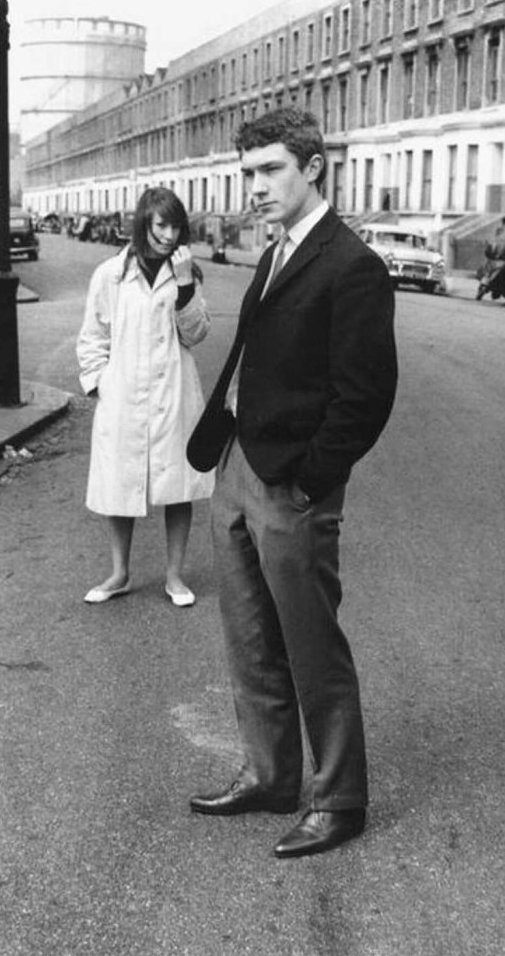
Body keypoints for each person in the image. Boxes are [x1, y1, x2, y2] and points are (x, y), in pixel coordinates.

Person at [187, 108, 398, 858]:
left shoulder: (352, 267)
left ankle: (338, 798)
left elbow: (363, 397)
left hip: (292, 484)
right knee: (248, 637)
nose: (255, 186)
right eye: (247, 173)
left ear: (313, 167)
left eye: (270, 169)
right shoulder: (275, 252)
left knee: (310, 643)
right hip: (237, 465)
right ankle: (272, 776)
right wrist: (227, 451)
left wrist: (311, 482)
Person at [77, 187, 214, 607]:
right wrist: (103, 385)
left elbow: (196, 334)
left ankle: (175, 577)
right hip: (124, 396)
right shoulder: (110, 275)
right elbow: (92, 336)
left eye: (175, 226)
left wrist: (187, 286)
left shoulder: (185, 272)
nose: (169, 235)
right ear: (143, 223)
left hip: (174, 391)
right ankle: (119, 573)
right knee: (120, 482)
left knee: (177, 484)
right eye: (160, 225)